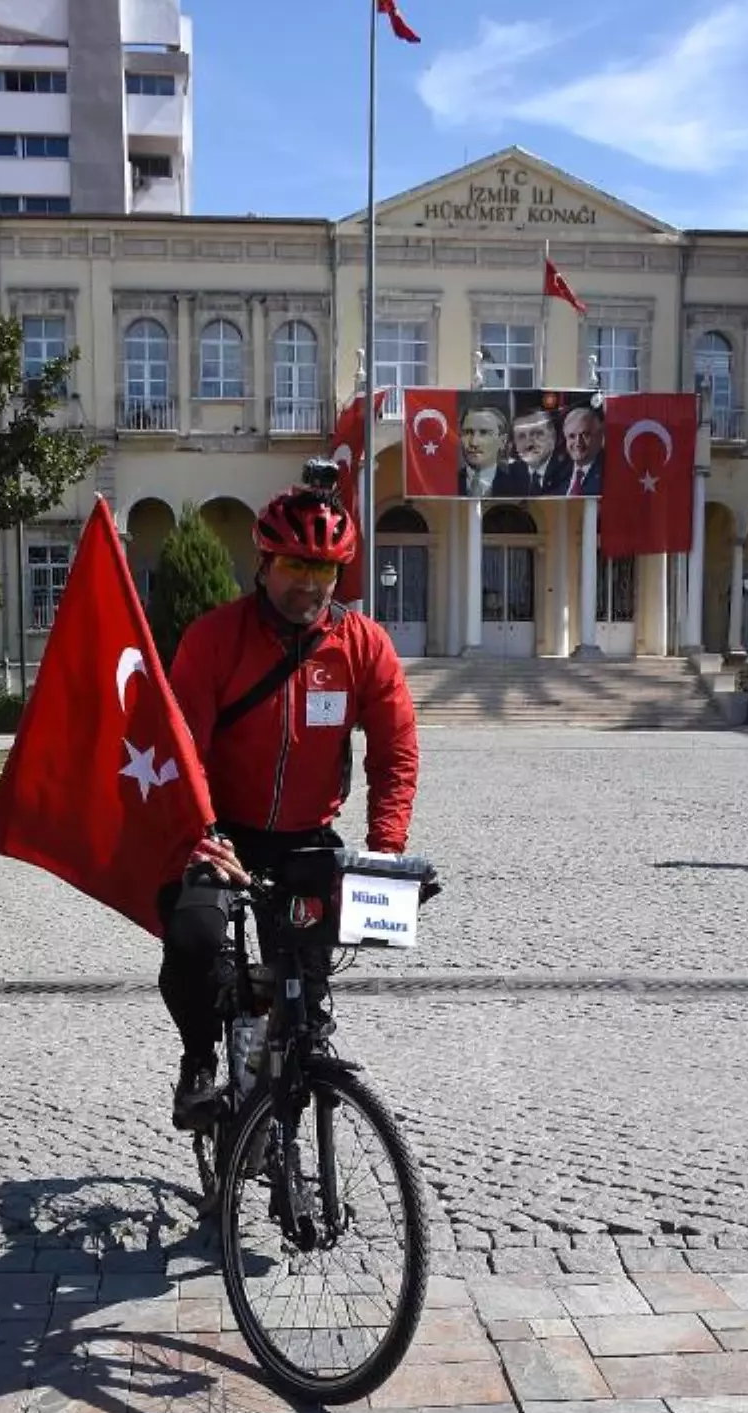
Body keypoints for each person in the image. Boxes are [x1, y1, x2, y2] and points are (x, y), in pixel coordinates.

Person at [161, 471, 420, 1127]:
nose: (311, 584)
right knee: (193, 944)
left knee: (302, 992)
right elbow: (182, 746)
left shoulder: (362, 645)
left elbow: (395, 751)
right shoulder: (214, 639)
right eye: (297, 565)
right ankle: (199, 1060)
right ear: (265, 562)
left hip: (308, 836)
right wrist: (203, 831)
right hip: (222, 832)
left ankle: (285, 1119)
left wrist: (387, 851)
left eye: (326, 570)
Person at [457, 404, 521, 498]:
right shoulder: (445, 483)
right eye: (468, 432)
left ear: (502, 441)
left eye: (484, 433)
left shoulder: (520, 486)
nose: (474, 443)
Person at [511, 407, 570, 496]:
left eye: (537, 434)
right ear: (515, 444)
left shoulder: (570, 472)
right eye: (521, 436)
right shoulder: (507, 475)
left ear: (553, 436)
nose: (529, 443)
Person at [562, 406, 604, 496]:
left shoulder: (611, 473)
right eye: (572, 436)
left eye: (585, 435)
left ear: (600, 437)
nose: (578, 442)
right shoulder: (557, 474)